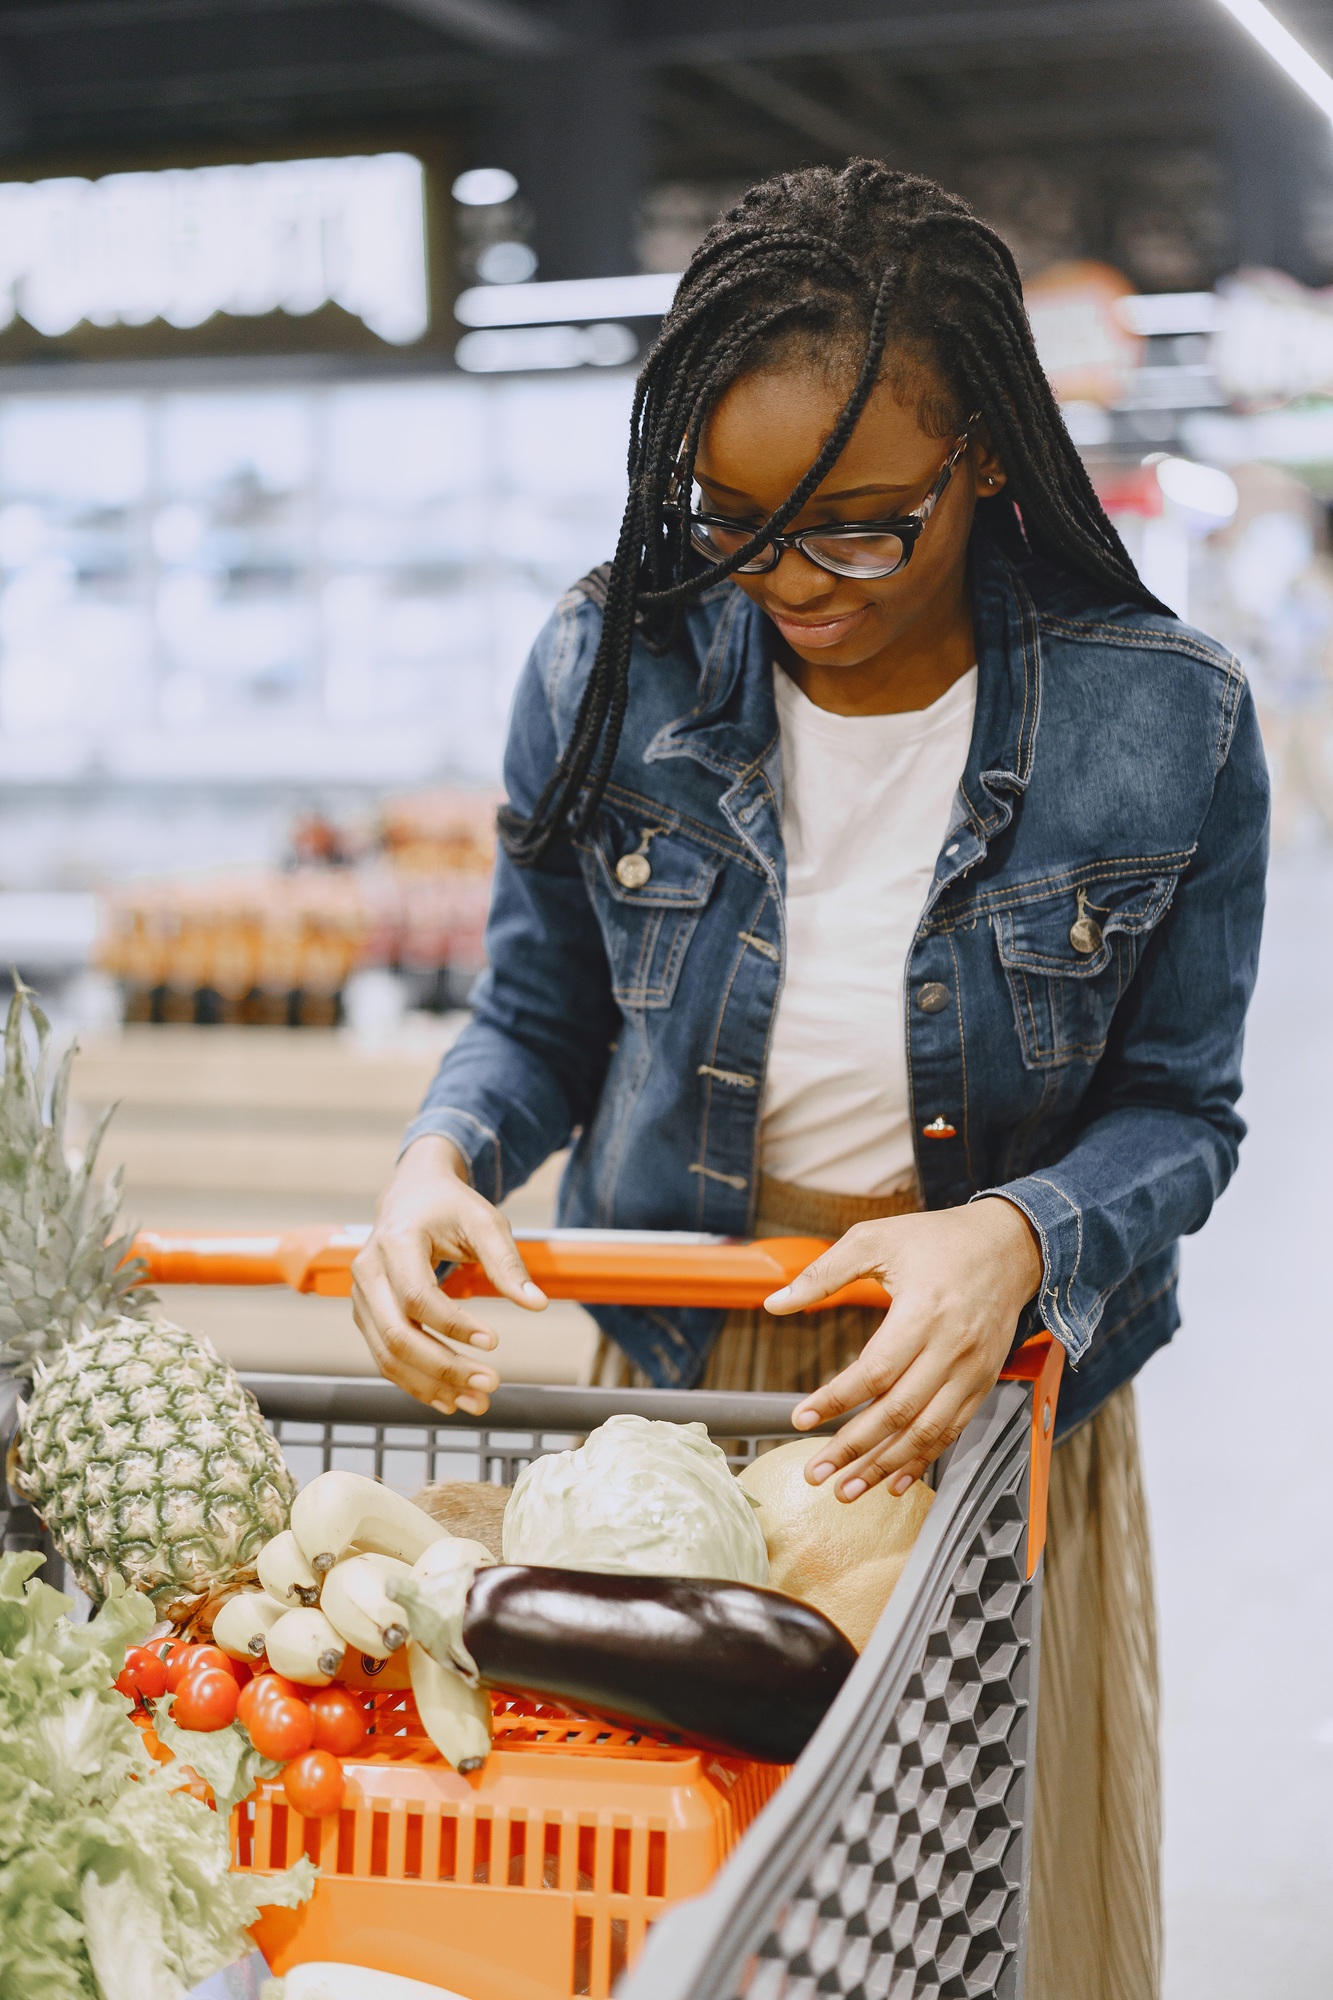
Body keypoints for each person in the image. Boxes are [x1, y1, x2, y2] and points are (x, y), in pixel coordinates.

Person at [352, 163, 1268, 1999]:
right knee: (660, 1911)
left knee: (961, 1921)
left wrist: (1015, 1233)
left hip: (966, 1404)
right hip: (678, 1375)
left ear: (987, 461)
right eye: (733, 523)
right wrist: (442, 1155)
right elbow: (540, 1013)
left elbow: (1183, 1108)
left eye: (860, 527)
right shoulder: (610, 660)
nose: (788, 582)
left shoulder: (1161, 723)